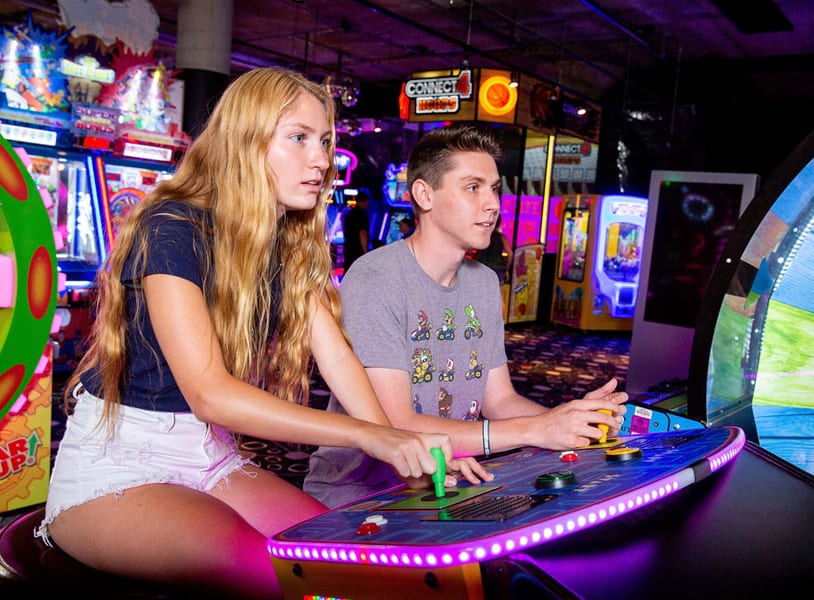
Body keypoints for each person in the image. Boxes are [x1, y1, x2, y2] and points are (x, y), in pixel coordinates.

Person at [35, 68, 488, 600]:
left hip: (209, 454)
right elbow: (209, 393)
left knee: (346, 560)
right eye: (298, 138)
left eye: (323, 142)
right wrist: (371, 436)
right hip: (116, 463)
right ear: (245, 142)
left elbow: (338, 360)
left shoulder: (289, 243)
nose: (321, 159)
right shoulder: (173, 226)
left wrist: (399, 444)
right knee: (275, 575)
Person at [305, 123, 627, 508]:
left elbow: (500, 400)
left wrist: (568, 421)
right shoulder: (376, 279)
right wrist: (538, 429)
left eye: (493, 189)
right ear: (424, 194)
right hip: (361, 496)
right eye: (473, 188)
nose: (492, 203)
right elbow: (396, 424)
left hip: (451, 481)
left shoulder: (484, 283)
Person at [474, 213, 512, 283]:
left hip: (482, 266)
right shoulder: (502, 237)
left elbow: (471, 250)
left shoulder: (482, 235)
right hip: (498, 268)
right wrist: (506, 269)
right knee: (496, 291)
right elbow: (510, 254)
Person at [341, 189, 370, 272]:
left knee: (348, 271)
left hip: (348, 248)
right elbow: (362, 233)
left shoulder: (350, 214)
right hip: (358, 250)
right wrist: (365, 252)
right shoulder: (362, 214)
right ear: (364, 201)